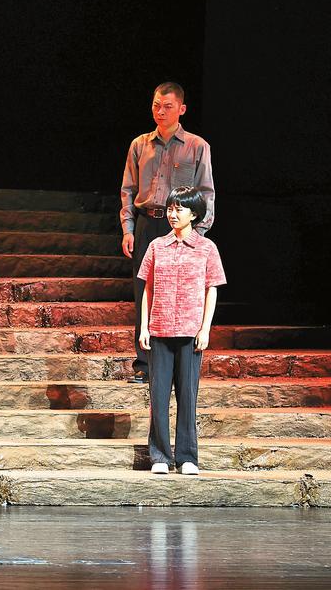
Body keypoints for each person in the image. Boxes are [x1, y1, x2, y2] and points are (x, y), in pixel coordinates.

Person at [120, 82, 215, 384]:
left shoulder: (197, 146)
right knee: (145, 291)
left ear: (182, 109)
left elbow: (206, 192)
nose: (160, 111)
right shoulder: (139, 145)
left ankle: (179, 364)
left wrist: (199, 233)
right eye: (156, 105)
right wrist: (128, 228)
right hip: (148, 223)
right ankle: (145, 365)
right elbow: (127, 189)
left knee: (181, 293)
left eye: (168, 106)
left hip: (183, 225)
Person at [138, 186, 226, 476]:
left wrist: (205, 329)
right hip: (160, 329)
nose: (172, 214)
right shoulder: (156, 246)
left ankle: (187, 456)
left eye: (179, 209)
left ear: (194, 214)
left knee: (187, 396)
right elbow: (148, 288)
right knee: (158, 396)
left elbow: (211, 289)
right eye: (170, 209)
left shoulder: (206, 248)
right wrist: (144, 327)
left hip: (190, 331)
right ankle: (160, 456)